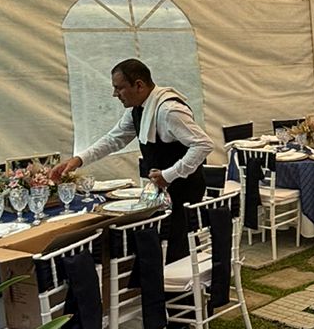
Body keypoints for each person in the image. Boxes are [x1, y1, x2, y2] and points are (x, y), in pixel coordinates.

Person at [51, 59, 212, 261]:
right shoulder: (138, 109)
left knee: (175, 251)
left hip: (183, 192)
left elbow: (203, 144)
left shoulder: (169, 110)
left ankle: (179, 279)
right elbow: (113, 139)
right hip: (163, 192)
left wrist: (169, 175)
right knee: (155, 247)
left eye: (119, 88)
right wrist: (78, 160)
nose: (115, 94)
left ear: (139, 85)